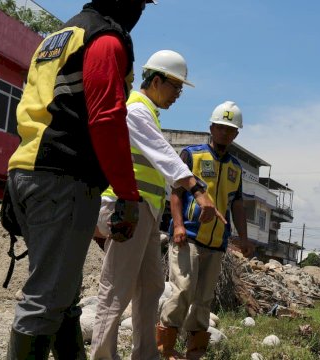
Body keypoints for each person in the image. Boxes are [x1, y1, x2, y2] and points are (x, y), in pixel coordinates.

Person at [4, 1, 155, 358]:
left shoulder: (58, 37)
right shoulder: (105, 39)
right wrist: (127, 195)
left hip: (27, 170)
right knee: (45, 303)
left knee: (65, 298)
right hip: (63, 179)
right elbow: (106, 119)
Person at [89, 50, 224, 360]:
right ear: (158, 80)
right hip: (127, 209)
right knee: (116, 289)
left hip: (145, 212)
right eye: (176, 87)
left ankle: (145, 355)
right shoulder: (136, 110)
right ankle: (102, 356)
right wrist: (197, 188)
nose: (178, 94)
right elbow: (164, 155)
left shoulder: (148, 113)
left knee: (150, 287)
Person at [157, 101, 255, 360]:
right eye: (221, 127)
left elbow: (237, 204)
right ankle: (165, 347)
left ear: (236, 134)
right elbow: (176, 193)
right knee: (183, 289)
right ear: (211, 127)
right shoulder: (192, 154)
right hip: (188, 235)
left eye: (230, 130)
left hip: (217, 242)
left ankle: (195, 350)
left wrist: (243, 238)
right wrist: (177, 225)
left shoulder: (236, 168)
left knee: (204, 298)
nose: (225, 133)